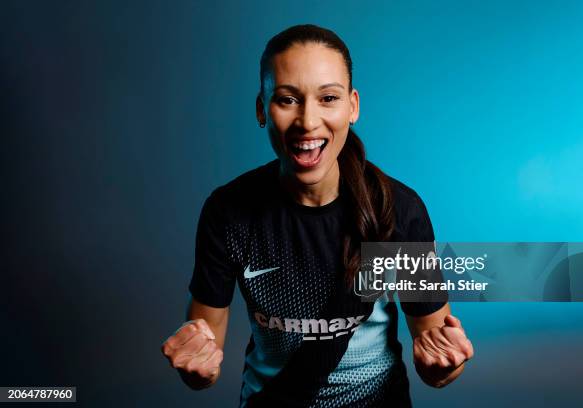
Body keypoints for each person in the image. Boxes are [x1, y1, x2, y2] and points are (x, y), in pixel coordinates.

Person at [161, 24, 474, 407]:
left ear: (352, 107)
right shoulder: (228, 213)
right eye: (287, 99)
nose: (308, 121)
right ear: (262, 109)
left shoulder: (397, 209)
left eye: (328, 98)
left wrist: (443, 367)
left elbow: (435, 358)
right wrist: (197, 367)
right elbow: (202, 349)